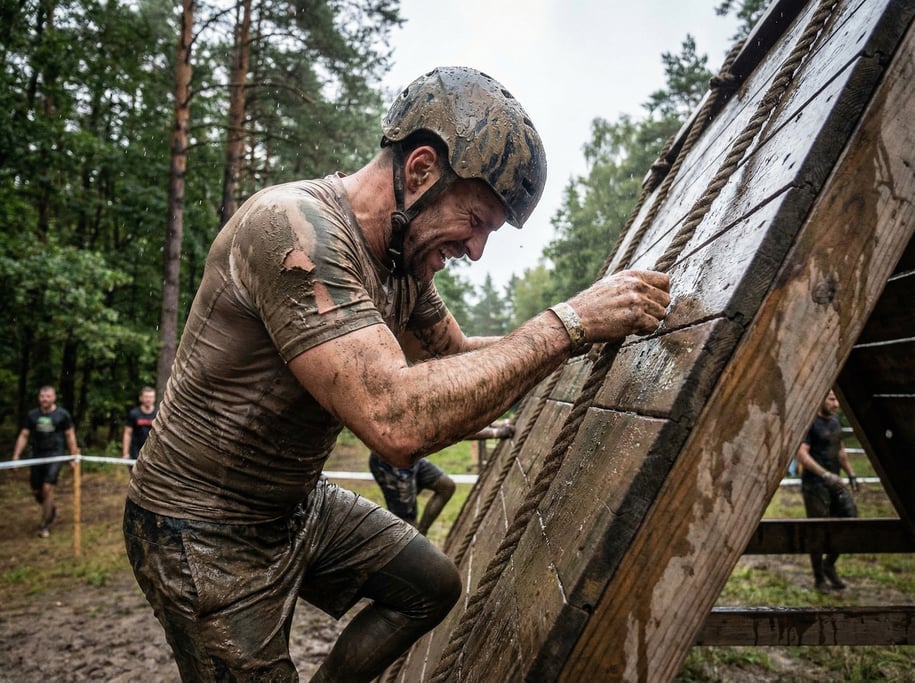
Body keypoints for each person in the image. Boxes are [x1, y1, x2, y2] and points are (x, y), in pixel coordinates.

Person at [123, 66, 671, 682]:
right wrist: (564, 325)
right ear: (420, 171)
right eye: (477, 220)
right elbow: (396, 419)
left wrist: (584, 332)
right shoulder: (294, 229)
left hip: (294, 505)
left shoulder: (403, 264)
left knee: (428, 586)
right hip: (201, 525)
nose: (476, 250)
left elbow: (458, 363)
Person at [796, 389, 860, 592]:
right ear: (821, 399)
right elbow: (802, 455)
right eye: (832, 399)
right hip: (815, 484)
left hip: (836, 483)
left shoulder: (835, 421)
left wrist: (851, 474)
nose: (836, 404)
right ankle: (819, 578)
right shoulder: (810, 423)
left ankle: (829, 564)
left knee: (851, 519)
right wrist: (825, 475)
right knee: (818, 530)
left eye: (837, 400)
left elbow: (840, 451)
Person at [12, 386, 80, 538]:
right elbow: (24, 435)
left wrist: (73, 455)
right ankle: (51, 510)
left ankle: (45, 525)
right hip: (36, 455)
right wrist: (16, 456)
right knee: (37, 491)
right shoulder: (32, 415)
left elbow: (70, 435)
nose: (45, 399)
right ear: (39, 398)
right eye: (42, 396)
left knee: (47, 488)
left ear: (54, 398)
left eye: (48, 396)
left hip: (55, 455)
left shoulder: (62, 415)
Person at [369, 451, 456, 535]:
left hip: (412, 457)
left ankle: (421, 534)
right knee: (407, 520)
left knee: (446, 486)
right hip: (392, 461)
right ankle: (412, 543)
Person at [121, 386, 158, 462]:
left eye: (151, 397)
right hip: (135, 451)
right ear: (141, 398)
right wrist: (125, 453)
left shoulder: (159, 414)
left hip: (153, 452)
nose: (148, 399)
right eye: (146, 397)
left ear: (154, 398)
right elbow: (127, 433)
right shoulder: (134, 414)